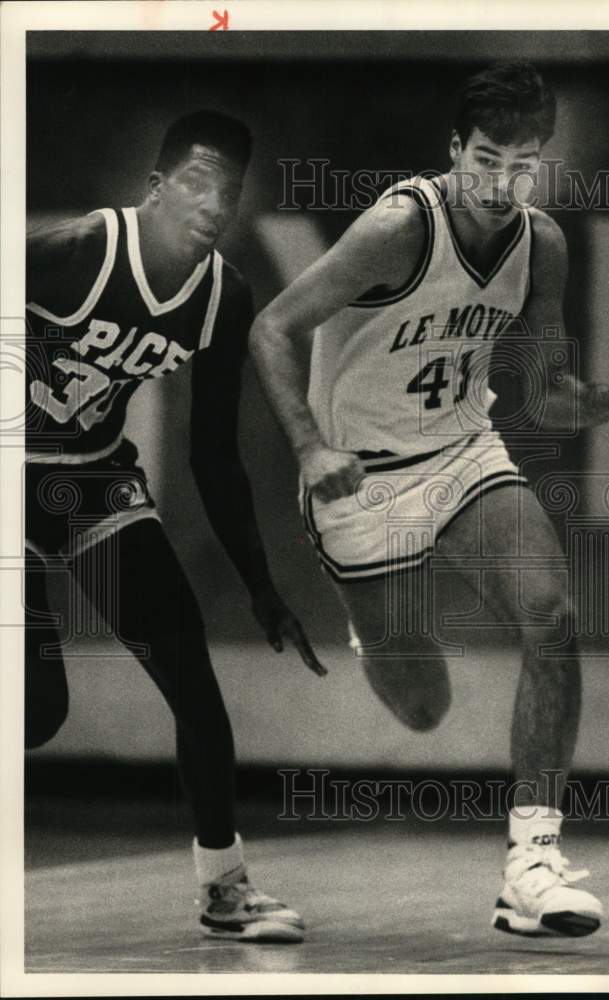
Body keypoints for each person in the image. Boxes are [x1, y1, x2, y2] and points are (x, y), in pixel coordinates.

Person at [249, 62, 609, 938]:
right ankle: (374, 624)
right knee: (424, 709)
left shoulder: (541, 244)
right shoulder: (397, 230)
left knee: (552, 614)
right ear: (455, 150)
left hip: (460, 452)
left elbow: (547, 396)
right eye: (487, 159)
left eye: (522, 165)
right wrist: (310, 446)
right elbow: (273, 327)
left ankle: (532, 864)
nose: (501, 182)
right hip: (361, 477)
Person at [25, 110, 326, 943]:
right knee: (38, 710)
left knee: (190, 670)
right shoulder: (77, 251)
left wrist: (262, 587)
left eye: (228, 192)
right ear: (155, 186)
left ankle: (225, 888)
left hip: (93, 481)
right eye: (196, 182)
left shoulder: (223, 297)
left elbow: (214, 456)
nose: (212, 203)